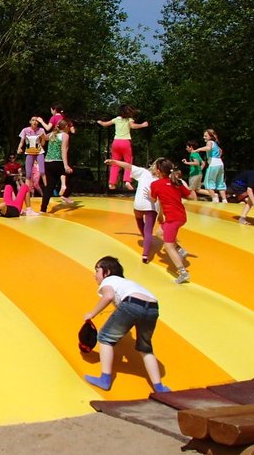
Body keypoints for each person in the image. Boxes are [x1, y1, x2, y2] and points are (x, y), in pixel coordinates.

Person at [82, 255, 171, 393]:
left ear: (107, 272)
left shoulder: (109, 281)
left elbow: (109, 296)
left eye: (97, 270)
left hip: (132, 303)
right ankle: (159, 387)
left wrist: (91, 314)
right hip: (153, 307)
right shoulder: (126, 283)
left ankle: (105, 379)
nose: (95, 275)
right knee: (145, 348)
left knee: (105, 338)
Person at [149, 157, 194, 284]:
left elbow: (153, 200)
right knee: (159, 233)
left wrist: (149, 194)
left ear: (158, 171)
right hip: (180, 217)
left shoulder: (155, 184)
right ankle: (180, 250)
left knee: (168, 246)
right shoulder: (176, 182)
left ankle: (183, 273)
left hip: (173, 219)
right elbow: (191, 196)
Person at [105, 158, 158, 263]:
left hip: (139, 204)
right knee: (148, 230)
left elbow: (128, 165)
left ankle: (146, 240)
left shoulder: (143, 172)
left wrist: (115, 162)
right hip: (152, 206)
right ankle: (145, 254)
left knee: (139, 220)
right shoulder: (162, 179)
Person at [97, 105, 149, 191]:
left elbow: (105, 124)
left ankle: (112, 183)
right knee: (128, 162)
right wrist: (143, 125)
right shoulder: (129, 120)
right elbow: (133, 126)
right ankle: (127, 181)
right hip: (125, 143)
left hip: (116, 143)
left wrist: (100, 122)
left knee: (115, 162)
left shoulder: (116, 119)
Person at [39, 120, 74, 213]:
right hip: (58, 162)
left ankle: (43, 209)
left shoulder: (52, 134)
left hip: (47, 162)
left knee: (49, 187)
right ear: (66, 126)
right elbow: (63, 151)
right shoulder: (65, 136)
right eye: (69, 127)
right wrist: (66, 165)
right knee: (71, 175)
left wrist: (41, 132)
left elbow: (43, 138)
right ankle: (64, 193)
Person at [192, 129, 227, 202]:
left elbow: (208, 148)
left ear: (210, 136)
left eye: (205, 136)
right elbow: (220, 151)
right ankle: (224, 199)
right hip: (220, 163)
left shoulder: (209, 142)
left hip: (213, 163)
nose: (204, 137)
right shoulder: (215, 144)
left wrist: (198, 149)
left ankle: (214, 198)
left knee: (208, 183)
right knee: (220, 182)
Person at [16, 117, 47, 196]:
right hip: (29, 152)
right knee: (28, 174)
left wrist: (43, 137)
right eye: (33, 120)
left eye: (36, 121)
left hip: (39, 152)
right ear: (30, 121)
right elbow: (21, 142)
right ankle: (26, 193)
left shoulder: (41, 130)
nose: (35, 122)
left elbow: (43, 144)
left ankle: (47, 190)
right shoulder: (25, 130)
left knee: (42, 171)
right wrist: (19, 148)